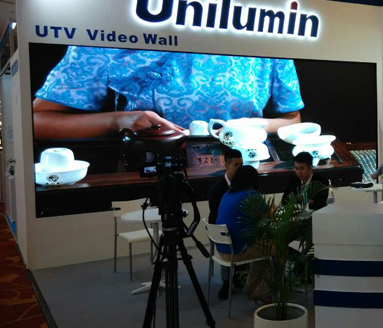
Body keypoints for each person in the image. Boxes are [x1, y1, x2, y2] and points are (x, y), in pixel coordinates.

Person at [32, 47, 304, 139]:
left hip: (247, 172)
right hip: (151, 177)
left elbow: (292, 119)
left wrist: (253, 125)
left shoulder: (265, 37)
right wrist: (119, 120)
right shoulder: (111, 32)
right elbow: (36, 121)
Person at [216, 165, 271, 303]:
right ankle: (262, 291)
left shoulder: (227, 194)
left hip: (221, 250)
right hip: (236, 252)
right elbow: (269, 216)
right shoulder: (251, 195)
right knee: (276, 250)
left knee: (262, 248)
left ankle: (251, 287)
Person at [208, 148, 243, 300]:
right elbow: (216, 214)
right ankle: (226, 281)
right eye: (236, 165)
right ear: (226, 165)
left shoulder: (242, 185)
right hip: (219, 228)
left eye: (241, 165)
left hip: (237, 226)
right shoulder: (217, 188)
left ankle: (240, 275)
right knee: (227, 238)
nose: (240, 169)